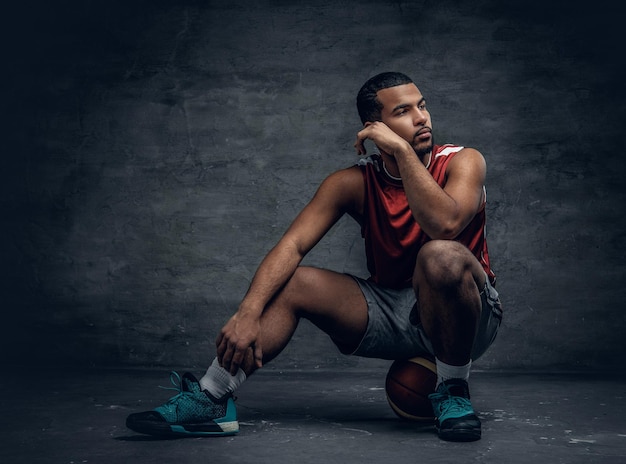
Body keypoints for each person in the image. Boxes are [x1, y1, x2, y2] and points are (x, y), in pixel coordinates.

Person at [125, 71, 503, 442]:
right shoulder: (352, 184)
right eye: (403, 112)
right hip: (395, 312)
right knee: (297, 281)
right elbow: (293, 246)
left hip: (468, 313)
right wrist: (247, 313)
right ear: (375, 127)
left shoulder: (463, 161)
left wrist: (403, 151)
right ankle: (211, 397)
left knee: (440, 256)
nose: (421, 117)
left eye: (422, 106)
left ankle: (454, 389)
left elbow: (446, 224)